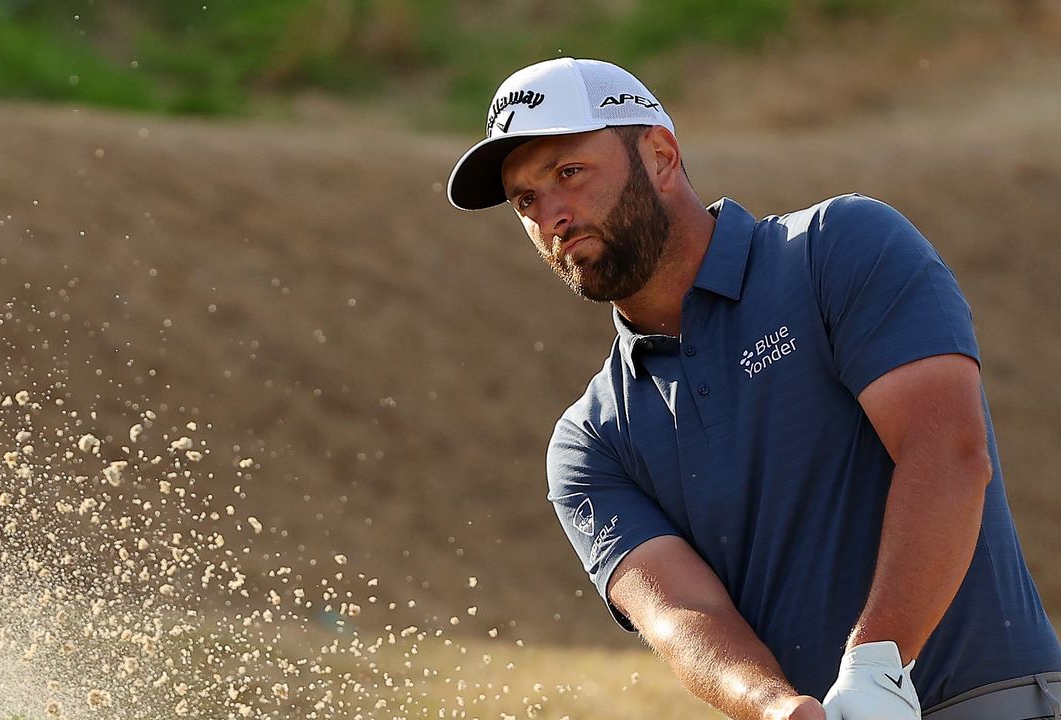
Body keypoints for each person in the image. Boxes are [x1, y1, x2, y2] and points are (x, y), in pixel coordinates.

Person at [446, 57, 1061, 720]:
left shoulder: (837, 248)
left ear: (659, 156)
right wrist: (776, 708)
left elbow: (946, 450)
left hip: (993, 701)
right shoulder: (591, 442)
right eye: (526, 201)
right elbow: (685, 615)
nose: (553, 217)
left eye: (570, 173)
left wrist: (878, 662)